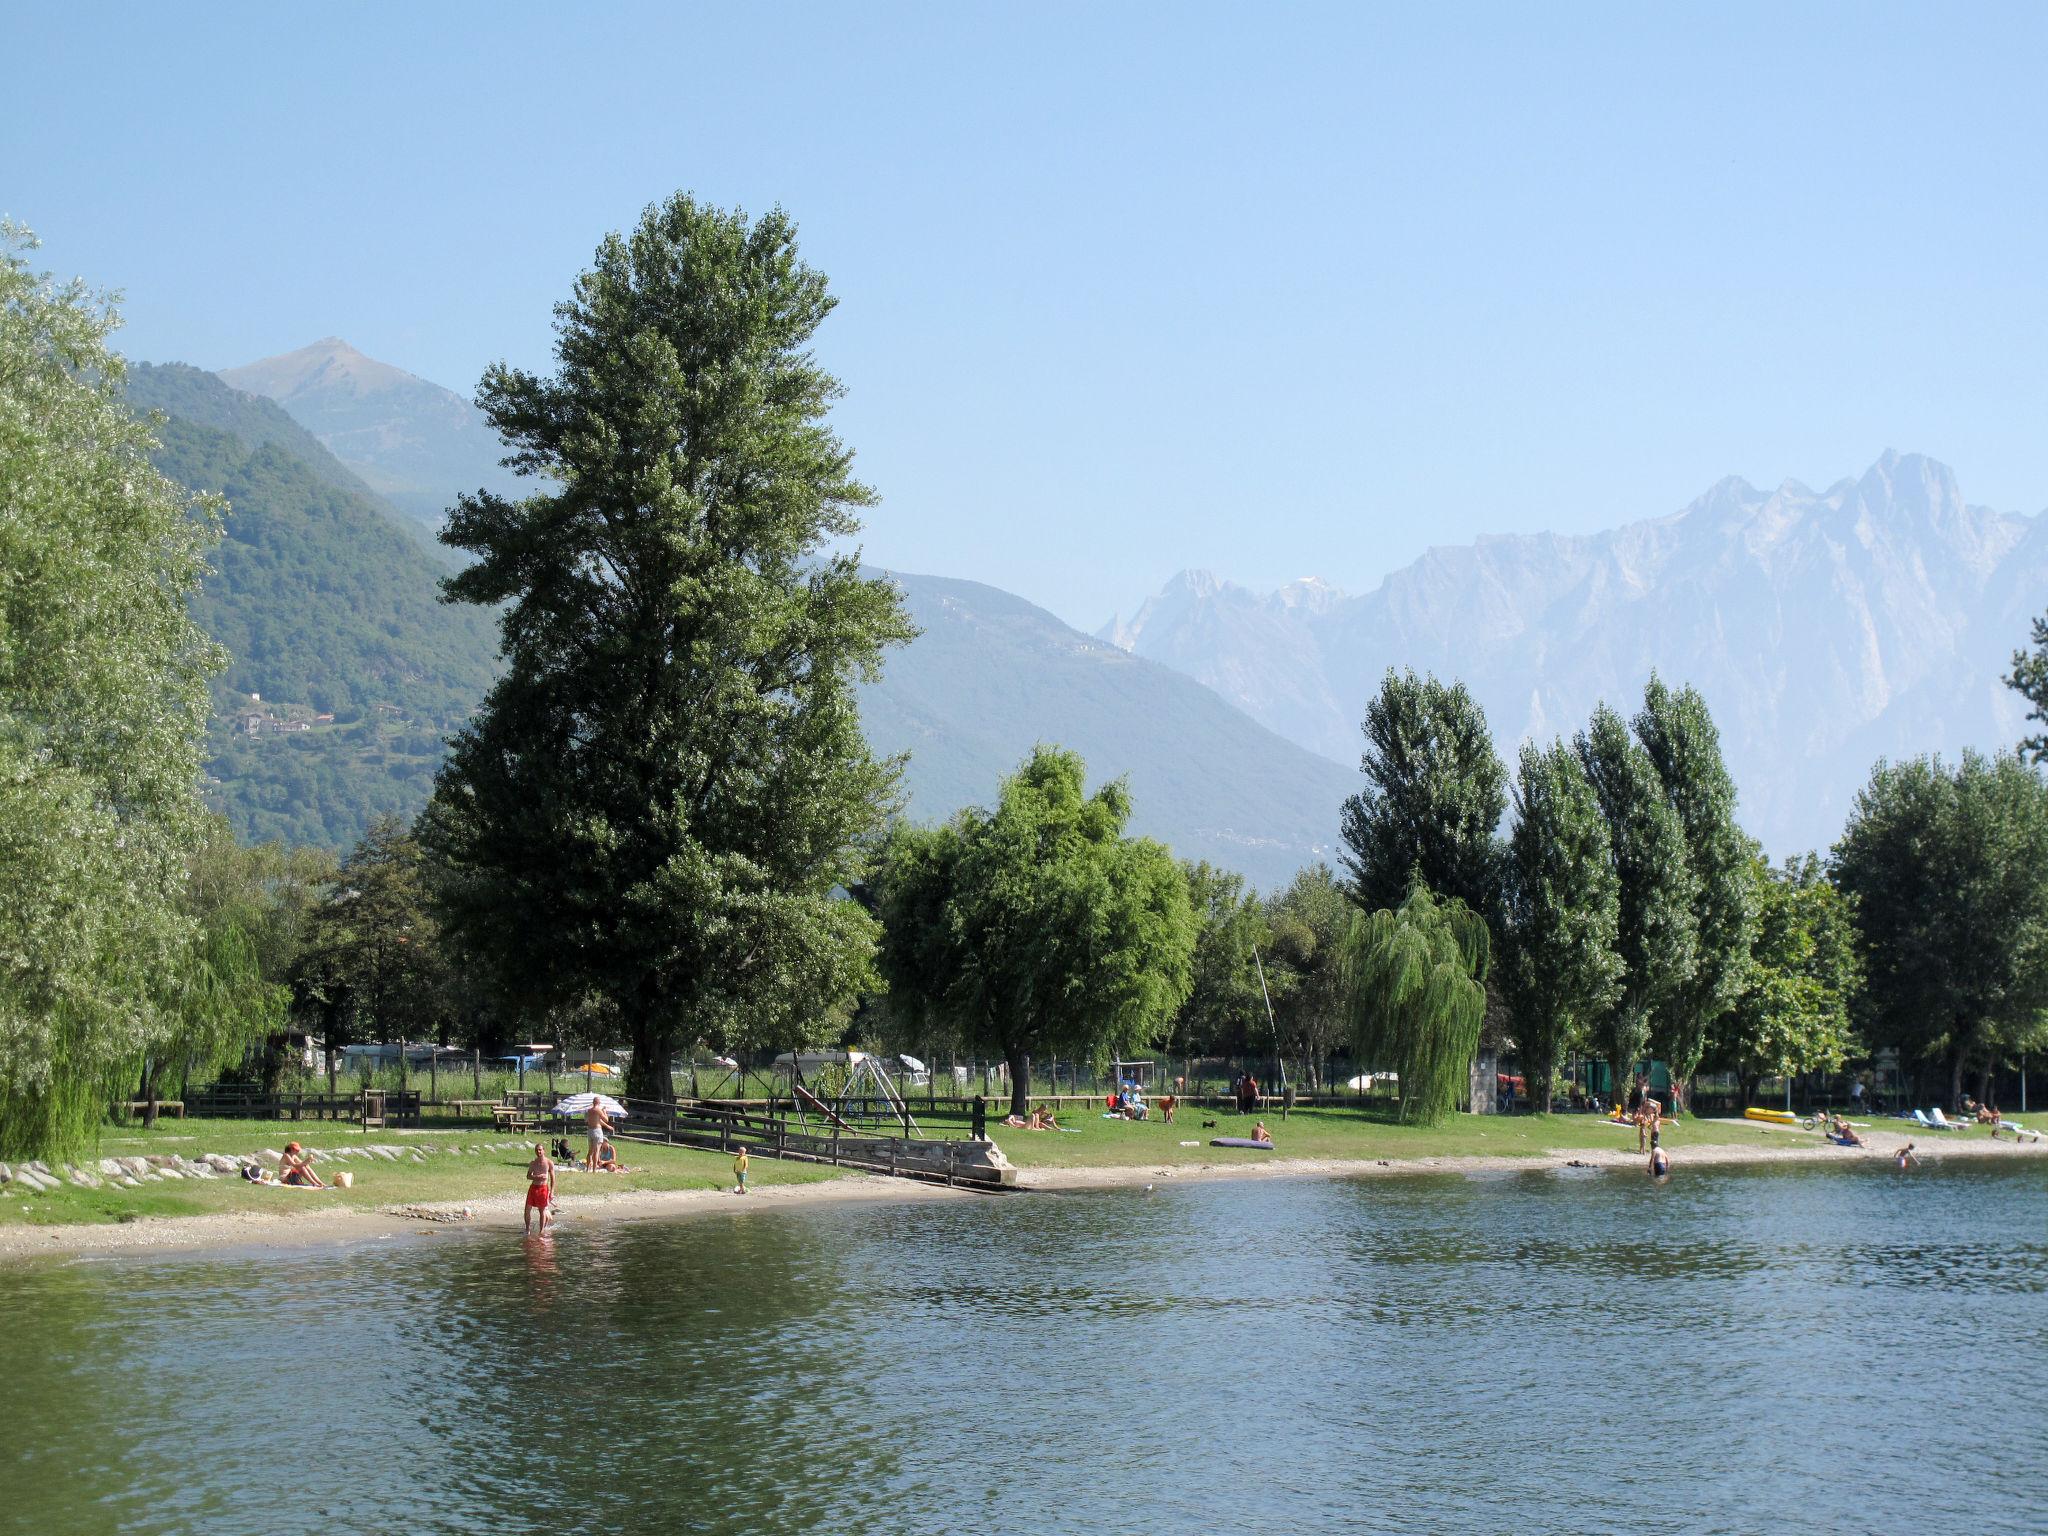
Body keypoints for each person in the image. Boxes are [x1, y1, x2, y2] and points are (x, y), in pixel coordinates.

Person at [524, 1142, 555, 1235]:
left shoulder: (549, 1162)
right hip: (533, 1187)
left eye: (540, 1150)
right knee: (527, 1209)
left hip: (543, 1188)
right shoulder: (533, 1163)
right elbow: (528, 1176)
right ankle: (527, 1229)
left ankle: (541, 1231)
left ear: (544, 1151)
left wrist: (552, 1192)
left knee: (542, 1211)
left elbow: (553, 1178)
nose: (538, 1152)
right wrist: (537, 1177)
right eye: (537, 1150)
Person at [584, 1097, 616, 1172]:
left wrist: (607, 1126)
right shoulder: (598, 1110)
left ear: (593, 1102)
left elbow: (596, 1120)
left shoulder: (589, 1111)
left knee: (590, 1151)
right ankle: (594, 1170)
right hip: (597, 1131)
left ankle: (588, 1169)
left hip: (590, 1131)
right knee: (597, 1150)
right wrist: (604, 1111)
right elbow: (606, 1119)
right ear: (598, 1103)